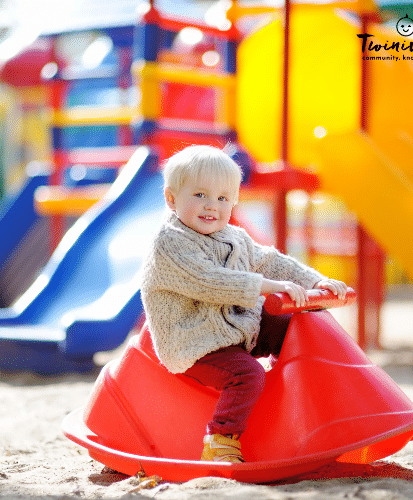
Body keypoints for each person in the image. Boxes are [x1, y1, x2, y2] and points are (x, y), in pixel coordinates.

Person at [141, 145, 347, 463]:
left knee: (300, 323)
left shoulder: (234, 236)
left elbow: (270, 260)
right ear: (172, 199)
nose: (212, 206)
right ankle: (220, 442)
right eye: (200, 195)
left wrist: (314, 282)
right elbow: (210, 280)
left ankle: (316, 402)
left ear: (235, 200)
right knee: (247, 375)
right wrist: (267, 286)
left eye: (223, 198)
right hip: (195, 342)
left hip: (238, 327)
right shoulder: (169, 243)